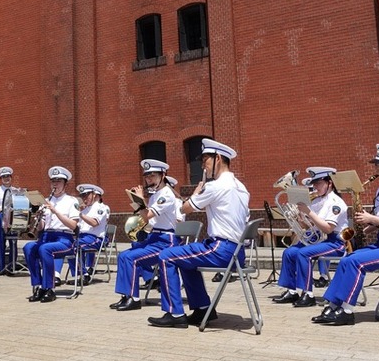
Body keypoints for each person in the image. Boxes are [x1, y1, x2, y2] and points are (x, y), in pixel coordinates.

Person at [148, 138, 250, 328]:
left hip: (221, 248)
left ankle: (174, 313)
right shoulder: (241, 187)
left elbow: (185, 209)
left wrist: (196, 192)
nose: (202, 164)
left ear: (218, 158)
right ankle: (203, 308)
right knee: (186, 261)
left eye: (205, 160)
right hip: (237, 252)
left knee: (166, 256)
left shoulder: (215, 185)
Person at [312, 144, 379, 326]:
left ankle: (346, 311)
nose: (376, 168)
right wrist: (365, 228)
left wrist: (373, 219)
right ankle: (333, 304)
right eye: (377, 165)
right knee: (348, 258)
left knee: (356, 262)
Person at [272, 167, 349, 307]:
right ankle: (291, 290)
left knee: (303, 254)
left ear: (329, 183)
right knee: (289, 252)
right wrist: (298, 216)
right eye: (314, 183)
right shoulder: (316, 201)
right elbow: (309, 226)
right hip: (318, 239)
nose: (315, 187)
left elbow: (328, 228)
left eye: (318, 183)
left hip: (334, 242)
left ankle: (308, 294)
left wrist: (308, 212)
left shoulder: (336, 202)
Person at [110, 159, 179, 311]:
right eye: (147, 176)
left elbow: (146, 215)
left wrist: (140, 199)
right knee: (123, 255)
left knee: (130, 258)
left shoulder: (165, 194)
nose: (149, 179)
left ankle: (134, 299)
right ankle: (126, 295)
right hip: (155, 237)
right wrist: (137, 202)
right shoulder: (156, 195)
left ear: (163, 175)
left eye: (153, 176)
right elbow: (146, 219)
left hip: (166, 241)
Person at [23, 166, 79, 303]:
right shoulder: (45, 201)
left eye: (59, 181)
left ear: (65, 184)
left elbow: (73, 225)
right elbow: (41, 227)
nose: (55, 184)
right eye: (53, 181)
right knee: (28, 247)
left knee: (45, 249)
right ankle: (38, 286)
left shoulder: (72, 201)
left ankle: (49, 288)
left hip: (64, 238)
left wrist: (56, 212)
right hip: (46, 236)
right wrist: (36, 218)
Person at [60, 184, 109, 285]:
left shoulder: (101, 208)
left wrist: (79, 214)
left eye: (86, 195)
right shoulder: (84, 210)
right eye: (82, 196)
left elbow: (94, 223)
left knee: (74, 245)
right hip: (82, 238)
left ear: (94, 195)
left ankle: (83, 275)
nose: (84, 198)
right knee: (68, 245)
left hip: (95, 238)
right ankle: (81, 275)